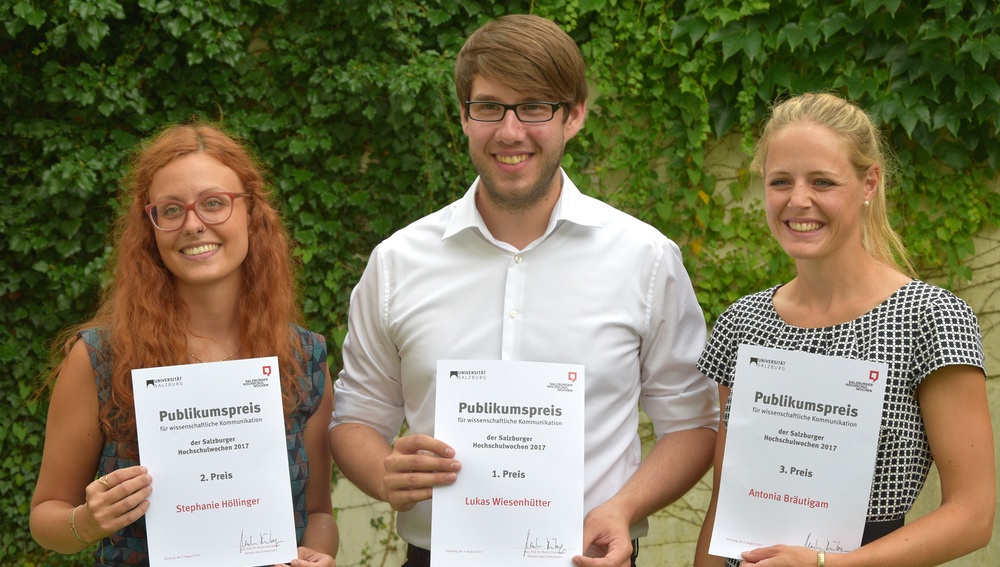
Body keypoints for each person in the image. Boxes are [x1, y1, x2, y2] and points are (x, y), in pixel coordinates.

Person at [328, 13, 719, 567]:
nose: (510, 132)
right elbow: (357, 418)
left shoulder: (646, 259)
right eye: (489, 107)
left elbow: (693, 423)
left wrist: (623, 508)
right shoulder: (396, 262)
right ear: (463, 117)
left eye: (535, 106)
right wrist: (383, 473)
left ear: (575, 115)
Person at [693, 92, 995, 567]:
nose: (798, 201)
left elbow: (973, 516)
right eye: (780, 181)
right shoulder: (742, 323)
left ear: (869, 182)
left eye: (822, 181)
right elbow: (725, 504)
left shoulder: (931, 319)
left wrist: (822, 566)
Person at [29, 123, 338, 567]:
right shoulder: (99, 358)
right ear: (149, 226)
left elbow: (319, 513)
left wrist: (318, 555)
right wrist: (87, 521)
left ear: (251, 212)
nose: (193, 225)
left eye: (214, 203)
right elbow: (47, 516)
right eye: (170, 210)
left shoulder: (302, 358)